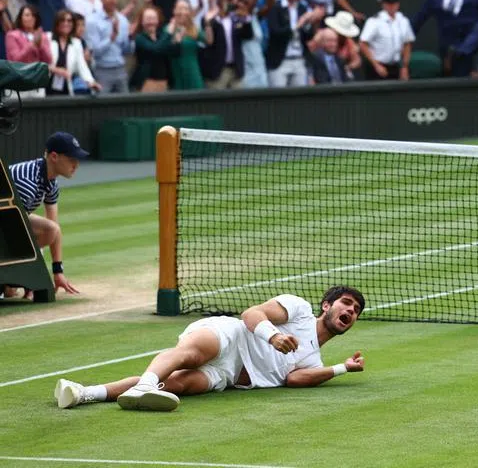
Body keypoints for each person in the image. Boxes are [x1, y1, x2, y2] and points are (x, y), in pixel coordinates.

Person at [56, 286, 366, 411]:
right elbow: (250, 315)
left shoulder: (313, 359)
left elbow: (294, 380)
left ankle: (83, 392)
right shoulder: (297, 309)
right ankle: (146, 385)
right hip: (229, 336)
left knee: (175, 383)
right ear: (327, 305)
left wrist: (341, 368)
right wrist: (272, 337)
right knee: (190, 354)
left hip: (228, 375)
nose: (350, 311)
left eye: (356, 311)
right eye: (346, 303)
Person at [6, 132, 87, 298]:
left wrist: (58, 272)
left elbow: (54, 229)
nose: (76, 165)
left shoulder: (51, 183)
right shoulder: (27, 182)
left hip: (9, 219)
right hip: (5, 221)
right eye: (72, 159)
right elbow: (10, 230)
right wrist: (29, 275)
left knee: (51, 229)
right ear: (54, 157)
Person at [359, 0, 414, 80]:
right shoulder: (374, 21)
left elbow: (407, 43)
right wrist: (376, 65)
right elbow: (363, 43)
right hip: (377, 67)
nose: (392, 6)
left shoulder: (403, 21)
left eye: (394, 3)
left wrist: (404, 66)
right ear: (383, 4)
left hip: (395, 66)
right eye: (388, 3)